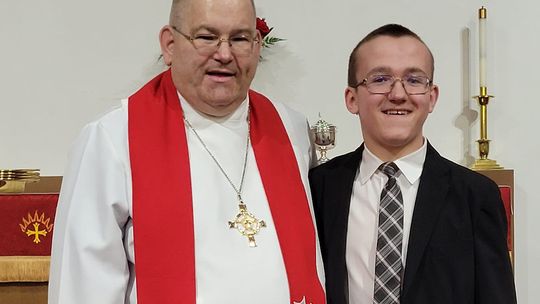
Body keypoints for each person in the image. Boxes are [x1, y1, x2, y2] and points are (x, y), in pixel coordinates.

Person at [48, 0, 325, 303]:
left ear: (257, 45)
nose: (224, 54)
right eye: (206, 37)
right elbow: (83, 288)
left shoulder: (290, 128)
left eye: (240, 39)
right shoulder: (111, 140)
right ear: (169, 44)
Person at [309, 24, 516, 304]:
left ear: (431, 97)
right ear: (352, 98)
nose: (398, 94)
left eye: (414, 80)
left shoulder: (475, 195)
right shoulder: (319, 188)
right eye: (380, 79)